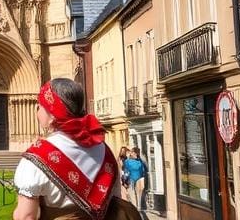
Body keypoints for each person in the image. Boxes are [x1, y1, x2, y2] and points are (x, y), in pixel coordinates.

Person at [12, 78, 142, 220]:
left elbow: (26, 216)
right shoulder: (104, 150)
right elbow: (115, 203)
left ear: (52, 115)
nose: (37, 108)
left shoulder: (35, 159)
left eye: (41, 105)